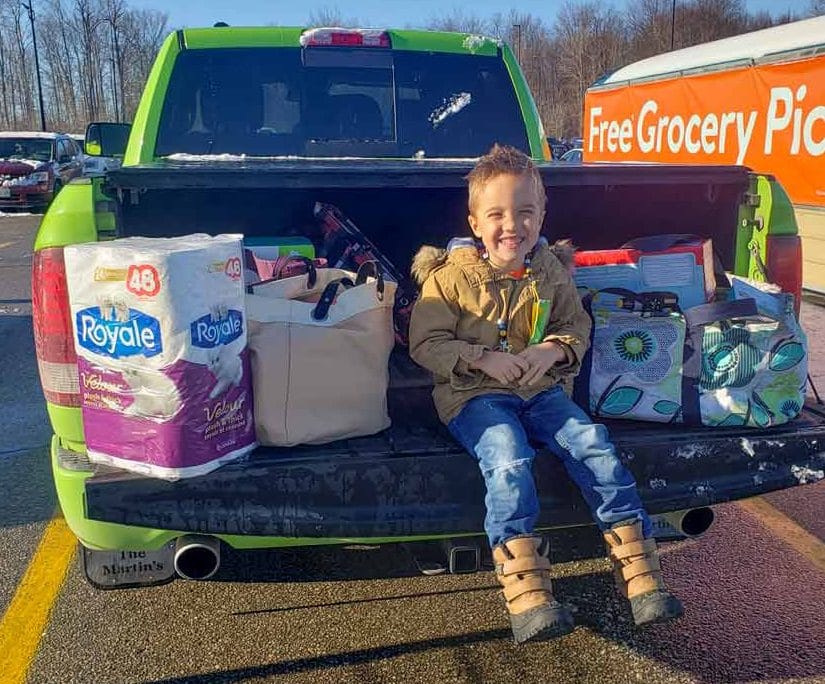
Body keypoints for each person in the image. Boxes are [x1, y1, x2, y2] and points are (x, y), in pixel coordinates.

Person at [408, 144, 683, 644]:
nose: (512, 225)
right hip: (475, 397)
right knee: (508, 457)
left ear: (542, 216)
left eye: (525, 212)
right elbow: (424, 343)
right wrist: (481, 357)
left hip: (543, 392)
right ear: (475, 223)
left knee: (594, 444)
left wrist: (552, 352)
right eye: (497, 214)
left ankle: (642, 576)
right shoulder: (448, 280)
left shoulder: (551, 272)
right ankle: (527, 592)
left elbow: (574, 326)